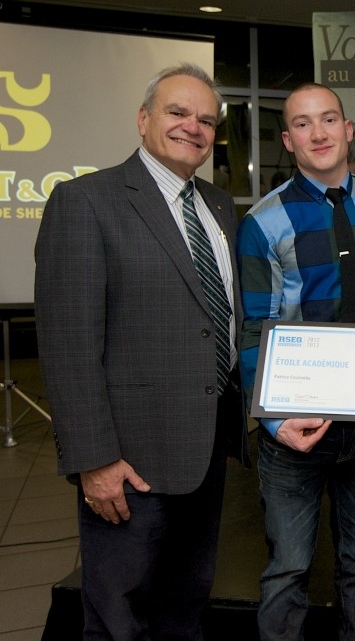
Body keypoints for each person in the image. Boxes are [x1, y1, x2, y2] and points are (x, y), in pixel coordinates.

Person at [34, 62, 250, 638]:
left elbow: (218, 319)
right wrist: (94, 460)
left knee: (185, 607)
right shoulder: (86, 200)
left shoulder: (219, 205)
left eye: (206, 120)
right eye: (178, 112)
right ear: (143, 118)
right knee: (117, 619)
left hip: (205, 452)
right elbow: (68, 345)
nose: (193, 127)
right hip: (129, 460)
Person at [237, 83, 355, 641]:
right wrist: (272, 421)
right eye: (303, 124)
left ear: (347, 129)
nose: (319, 133)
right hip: (295, 425)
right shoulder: (262, 222)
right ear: (288, 140)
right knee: (288, 569)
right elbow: (253, 328)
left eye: (329, 119)